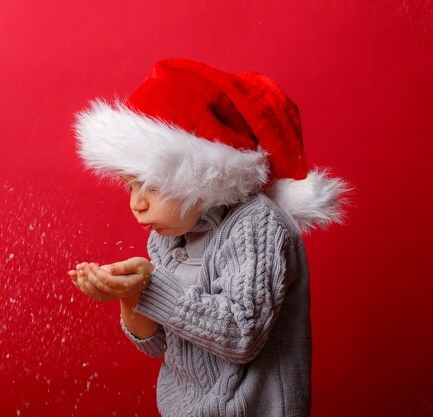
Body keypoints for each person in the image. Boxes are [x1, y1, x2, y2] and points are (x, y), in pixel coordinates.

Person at [67, 58, 351, 417]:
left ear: (198, 178)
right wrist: (131, 295)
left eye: (151, 185)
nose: (136, 203)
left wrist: (152, 286)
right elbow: (157, 345)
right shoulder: (169, 235)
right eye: (130, 185)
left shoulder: (257, 225)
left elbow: (240, 334)